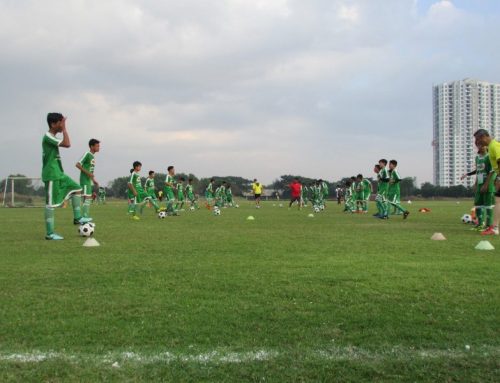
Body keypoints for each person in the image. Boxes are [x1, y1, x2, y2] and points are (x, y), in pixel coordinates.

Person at [42, 113, 93, 240]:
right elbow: (67, 144)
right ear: (53, 124)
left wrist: (63, 127)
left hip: (59, 173)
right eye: (60, 122)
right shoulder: (48, 136)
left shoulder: (52, 137)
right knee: (50, 204)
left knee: (76, 189)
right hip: (51, 174)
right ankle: (50, 234)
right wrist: (64, 129)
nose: (62, 125)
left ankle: (77, 218)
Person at [461, 144, 495, 230]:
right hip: (480, 184)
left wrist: (486, 184)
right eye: (479, 145)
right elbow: (478, 171)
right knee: (478, 204)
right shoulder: (477, 158)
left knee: (488, 205)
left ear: (486, 147)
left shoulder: (489, 157)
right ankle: (480, 224)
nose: (480, 147)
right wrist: (475, 182)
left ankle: (488, 226)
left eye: (482, 145)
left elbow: (492, 171)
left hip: (488, 184)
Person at [473, 129, 500, 235]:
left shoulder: (494, 146)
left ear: (484, 137)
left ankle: (494, 227)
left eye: (478, 139)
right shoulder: (492, 146)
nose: (477, 142)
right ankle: (495, 228)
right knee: (498, 201)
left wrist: (498, 178)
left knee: (497, 201)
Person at [76, 138, 100, 219]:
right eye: (97, 146)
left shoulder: (92, 156)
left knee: (88, 198)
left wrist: (93, 180)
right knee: (87, 198)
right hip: (84, 180)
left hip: (88, 180)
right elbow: (78, 165)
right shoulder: (87, 154)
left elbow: (90, 172)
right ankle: (84, 217)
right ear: (91, 146)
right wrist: (88, 173)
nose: (98, 147)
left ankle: (83, 216)